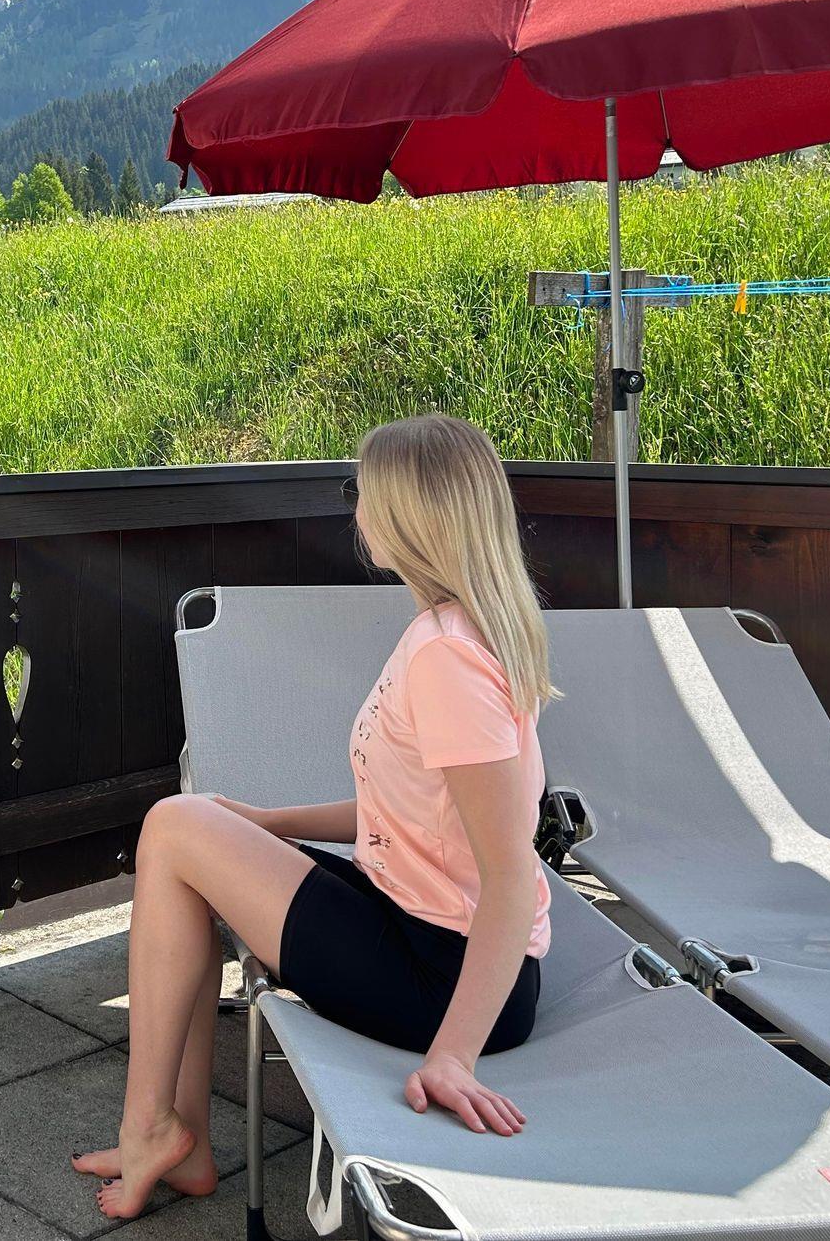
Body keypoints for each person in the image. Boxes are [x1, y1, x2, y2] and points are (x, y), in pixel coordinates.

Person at [71, 413, 557, 1220]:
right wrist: (266, 823)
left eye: (361, 491)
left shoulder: (448, 658)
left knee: (172, 825)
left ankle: (152, 1127)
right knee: (186, 845)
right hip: (413, 925)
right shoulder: (450, 632)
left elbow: (510, 873)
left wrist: (453, 1056)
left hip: (444, 977)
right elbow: (412, 814)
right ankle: (177, 1135)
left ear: (405, 514)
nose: (355, 508)